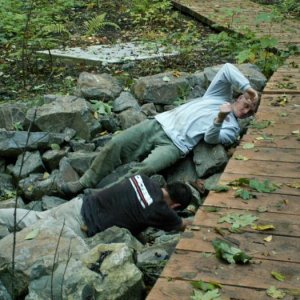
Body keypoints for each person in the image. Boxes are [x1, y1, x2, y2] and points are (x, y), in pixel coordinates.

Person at [61, 63, 259, 195]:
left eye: (249, 111)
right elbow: (226, 68)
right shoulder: (217, 96)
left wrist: (220, 118)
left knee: (145, 169)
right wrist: (248, 87)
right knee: (115, 144)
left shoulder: (232, 128)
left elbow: (210, 138)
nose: (245, 110)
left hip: (175, 145)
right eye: (246, 103)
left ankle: (99, 196)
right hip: (159, 123)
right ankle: (84, 182)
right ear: (240, 97)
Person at [0, 175, 193, 239]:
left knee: (33, 218)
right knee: (29, 242)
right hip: (77, 228)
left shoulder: (141, 178)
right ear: (174, 205)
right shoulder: (159, 209)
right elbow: (184, 225)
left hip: (78, 204)